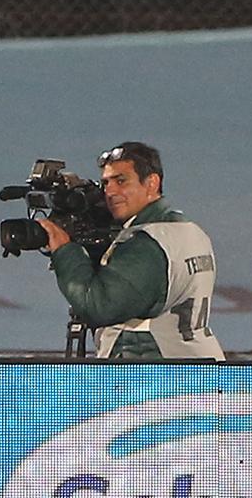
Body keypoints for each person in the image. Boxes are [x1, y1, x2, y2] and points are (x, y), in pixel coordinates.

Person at [37, 141, 224, 361]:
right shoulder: (188, 230)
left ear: (152, 183)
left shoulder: (146, 244)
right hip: (197, 364)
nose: (110, 192)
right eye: (106, 183)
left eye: (121, 181)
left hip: (154, 375)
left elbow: (98, 305)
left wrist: (65, 250)